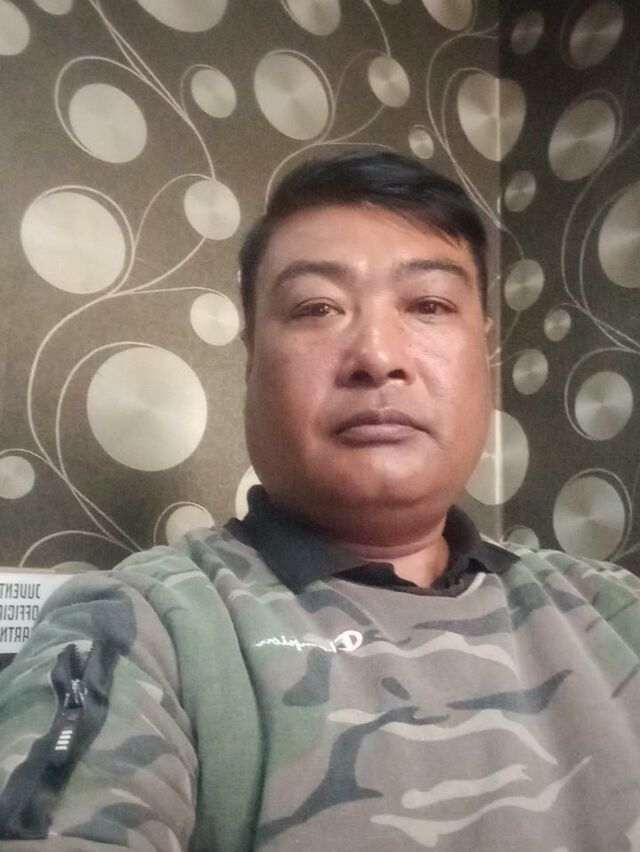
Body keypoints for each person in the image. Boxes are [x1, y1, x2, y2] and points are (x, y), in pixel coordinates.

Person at [0, 151, 638, 852]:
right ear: (251, 360)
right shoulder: (140, 629)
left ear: (482, 354)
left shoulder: (613, 610)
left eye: (429, 305)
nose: (378, 356)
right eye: (316, 308)